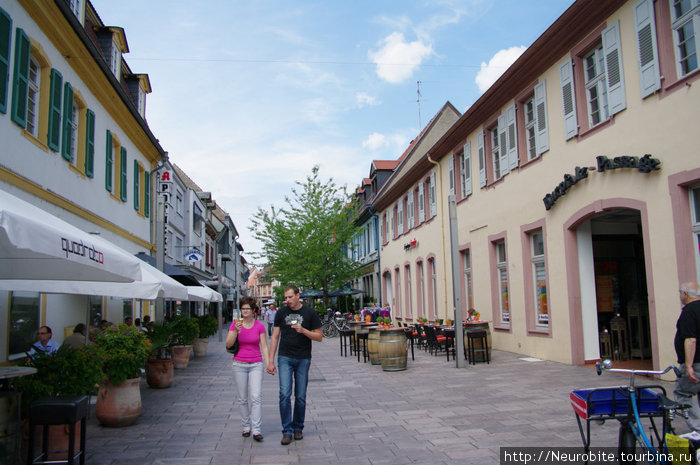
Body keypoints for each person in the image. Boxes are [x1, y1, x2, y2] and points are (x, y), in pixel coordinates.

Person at [267, 285, 323, 445]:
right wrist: (270, 360)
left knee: (300, 396)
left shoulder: (309, 313)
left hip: (303, 357)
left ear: (298, 296)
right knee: (284, 394)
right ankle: (287, 430)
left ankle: (298, 427)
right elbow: (275, 337)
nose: (288, 300)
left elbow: (319, 337)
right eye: (286, 297)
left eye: (290, 297)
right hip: (285, 357)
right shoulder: (281, 312)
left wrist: (304, 330)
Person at [226, 297, 271, 442]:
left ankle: (256, 430)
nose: (245, 311)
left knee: (256, 397)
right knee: (242, 398)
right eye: (243, 309)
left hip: (256, 364)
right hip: (239, 363)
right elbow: (228, 344)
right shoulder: (236, 324)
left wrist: (269, 361)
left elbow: (264, 345)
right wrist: (235, 332)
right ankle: (246, 426)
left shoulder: (259, 326)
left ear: (253, 311)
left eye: (248, 309)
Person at [674, 281, 700, 432]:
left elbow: (690, 339)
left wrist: (689, 366)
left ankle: (698, 429)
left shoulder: (689, 312)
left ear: (685, 294)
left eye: (680, 293)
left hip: (696, 362)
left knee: (682, 393)